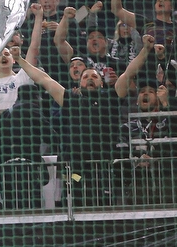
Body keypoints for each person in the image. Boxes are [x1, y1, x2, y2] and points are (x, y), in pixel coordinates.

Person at [12, 46, 124, 207]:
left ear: (101, 84)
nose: (90, 78)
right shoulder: (70, 99)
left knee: (102, 200)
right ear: (79, 82)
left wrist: (147, 49)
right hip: (75, 166)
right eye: (86, 76)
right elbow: (44, 79)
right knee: (74, 193)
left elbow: (130, 73)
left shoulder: (110, 99)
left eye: (94, 76)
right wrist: (21, 60)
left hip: (101, 165)